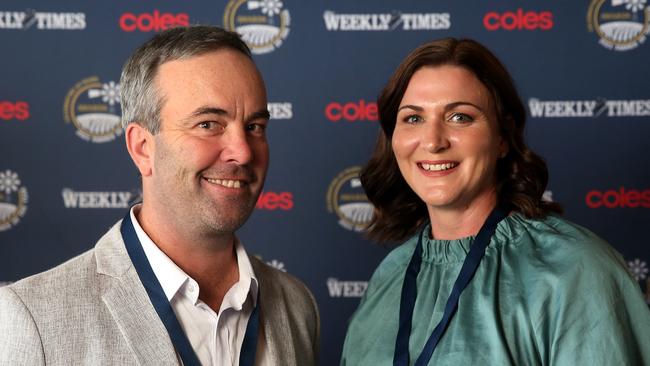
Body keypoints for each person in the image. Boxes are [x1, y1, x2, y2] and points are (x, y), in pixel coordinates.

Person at [0, 26, 319, 366]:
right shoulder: (34, 317)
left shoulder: (297, 304)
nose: (242, 152)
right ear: (142, 148)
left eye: (255, 127)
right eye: (208, 124)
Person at [341, 38, 650, 365]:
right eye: (413, 118)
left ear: (502, 137)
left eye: (459, 117)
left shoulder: (575, 269)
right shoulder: (390, 275)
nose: (432, 141)